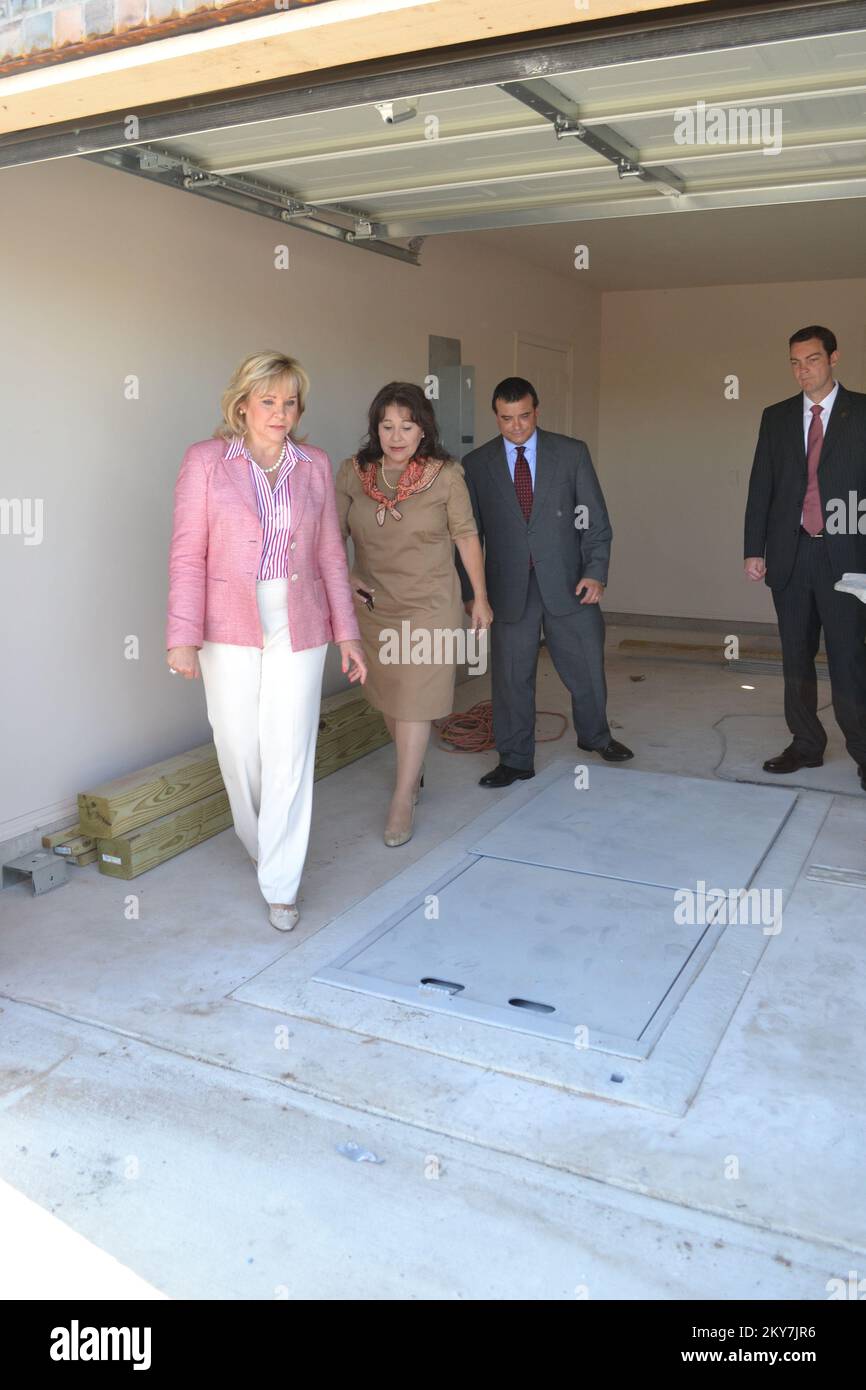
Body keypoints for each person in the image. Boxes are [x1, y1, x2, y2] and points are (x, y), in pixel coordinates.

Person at [165, 351, 367, 931]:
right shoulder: (206, 461)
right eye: (269, 400)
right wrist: (181, 635)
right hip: (227, 618)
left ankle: (282, 882)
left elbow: (331, 552)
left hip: (298, 618)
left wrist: (346, 633)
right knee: (238, 746)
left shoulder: (314, 464)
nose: (281, 412)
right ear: (243, 404)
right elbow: (187, 553)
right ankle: (259, 842)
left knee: (290, 746)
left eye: (290, 402)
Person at [336, 382, 491, 845]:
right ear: (375, 430)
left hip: (429, 605)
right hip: (375, 604)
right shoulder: (353, 473)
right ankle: (413, 770)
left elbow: (466, 537)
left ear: (423, 429)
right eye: (387, 426)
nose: (397, 435)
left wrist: (479, 598)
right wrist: (344, 576)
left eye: (407, 425)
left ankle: (402, 798)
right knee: (390, 696)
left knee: (416, 698)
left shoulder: (446, 476)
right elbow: (327, 534)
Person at [457, 376, 632, 787]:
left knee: (586, 665)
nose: (516, 426)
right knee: (511, 676)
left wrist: (596, 571)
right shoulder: (476, 464)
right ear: (495, 416)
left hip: (570, 581)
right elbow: (467, 536)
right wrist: (472, 594)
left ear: (537, 410)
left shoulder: (571, 453)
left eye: (524, 416)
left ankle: (596, 736)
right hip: (508, 589)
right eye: (506, 418)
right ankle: (515, 758)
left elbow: (596, 519)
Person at [744, 326, 866, 786]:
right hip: (790, 555)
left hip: (848, 558)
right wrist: (754, 549)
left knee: (849, 659)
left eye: (812, 360)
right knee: (795, 657)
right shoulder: (775, 417)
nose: (802, 370)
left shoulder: (864, 412)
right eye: (795, 362)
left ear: (834, 358)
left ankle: (864, 750)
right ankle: (806, 744)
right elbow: (762, 488)